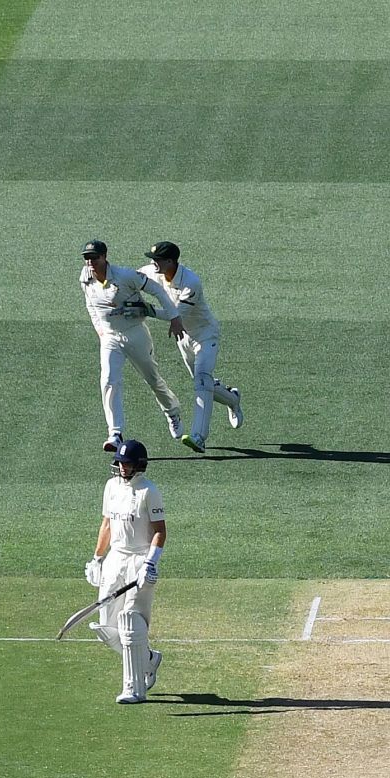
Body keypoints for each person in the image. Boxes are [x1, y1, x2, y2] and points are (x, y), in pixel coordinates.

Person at [77, 240, 184, 452]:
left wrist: (174, 317)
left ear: (104, 257)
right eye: (87, 257)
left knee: (152, 379)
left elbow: (157, 291)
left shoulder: (125, 276)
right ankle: (115, 433)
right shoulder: (85, 278)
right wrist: (100, 330)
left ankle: (172, 411)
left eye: (94, 257)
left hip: (135, 333)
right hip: (109, 337)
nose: (90, 262)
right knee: (108, 380)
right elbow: (90, 304)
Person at [139, 241, 243, 453]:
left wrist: (146, 309)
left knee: (203, 380)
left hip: (205, 335)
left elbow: (174, 315)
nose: (153, 263)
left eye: (157, 260)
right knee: (203, 383)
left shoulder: (191, 282)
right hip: (183, 338)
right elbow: (131, 278)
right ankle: (232, 399)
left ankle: (199, 437)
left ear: (170, 261)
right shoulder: (153, 270)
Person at [85, 439, 164, 704]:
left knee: (130, 622)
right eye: (120, 462)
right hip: (115, 559)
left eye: (127, 463)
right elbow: (106, 524)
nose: (122, 467)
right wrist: (97, 558)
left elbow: (160, 532)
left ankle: (133, 688)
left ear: (139, 465)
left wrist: (150, 563)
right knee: (106, 626)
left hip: (140, 558)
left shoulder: (148, 491)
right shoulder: (110, 487)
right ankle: (149, 659)